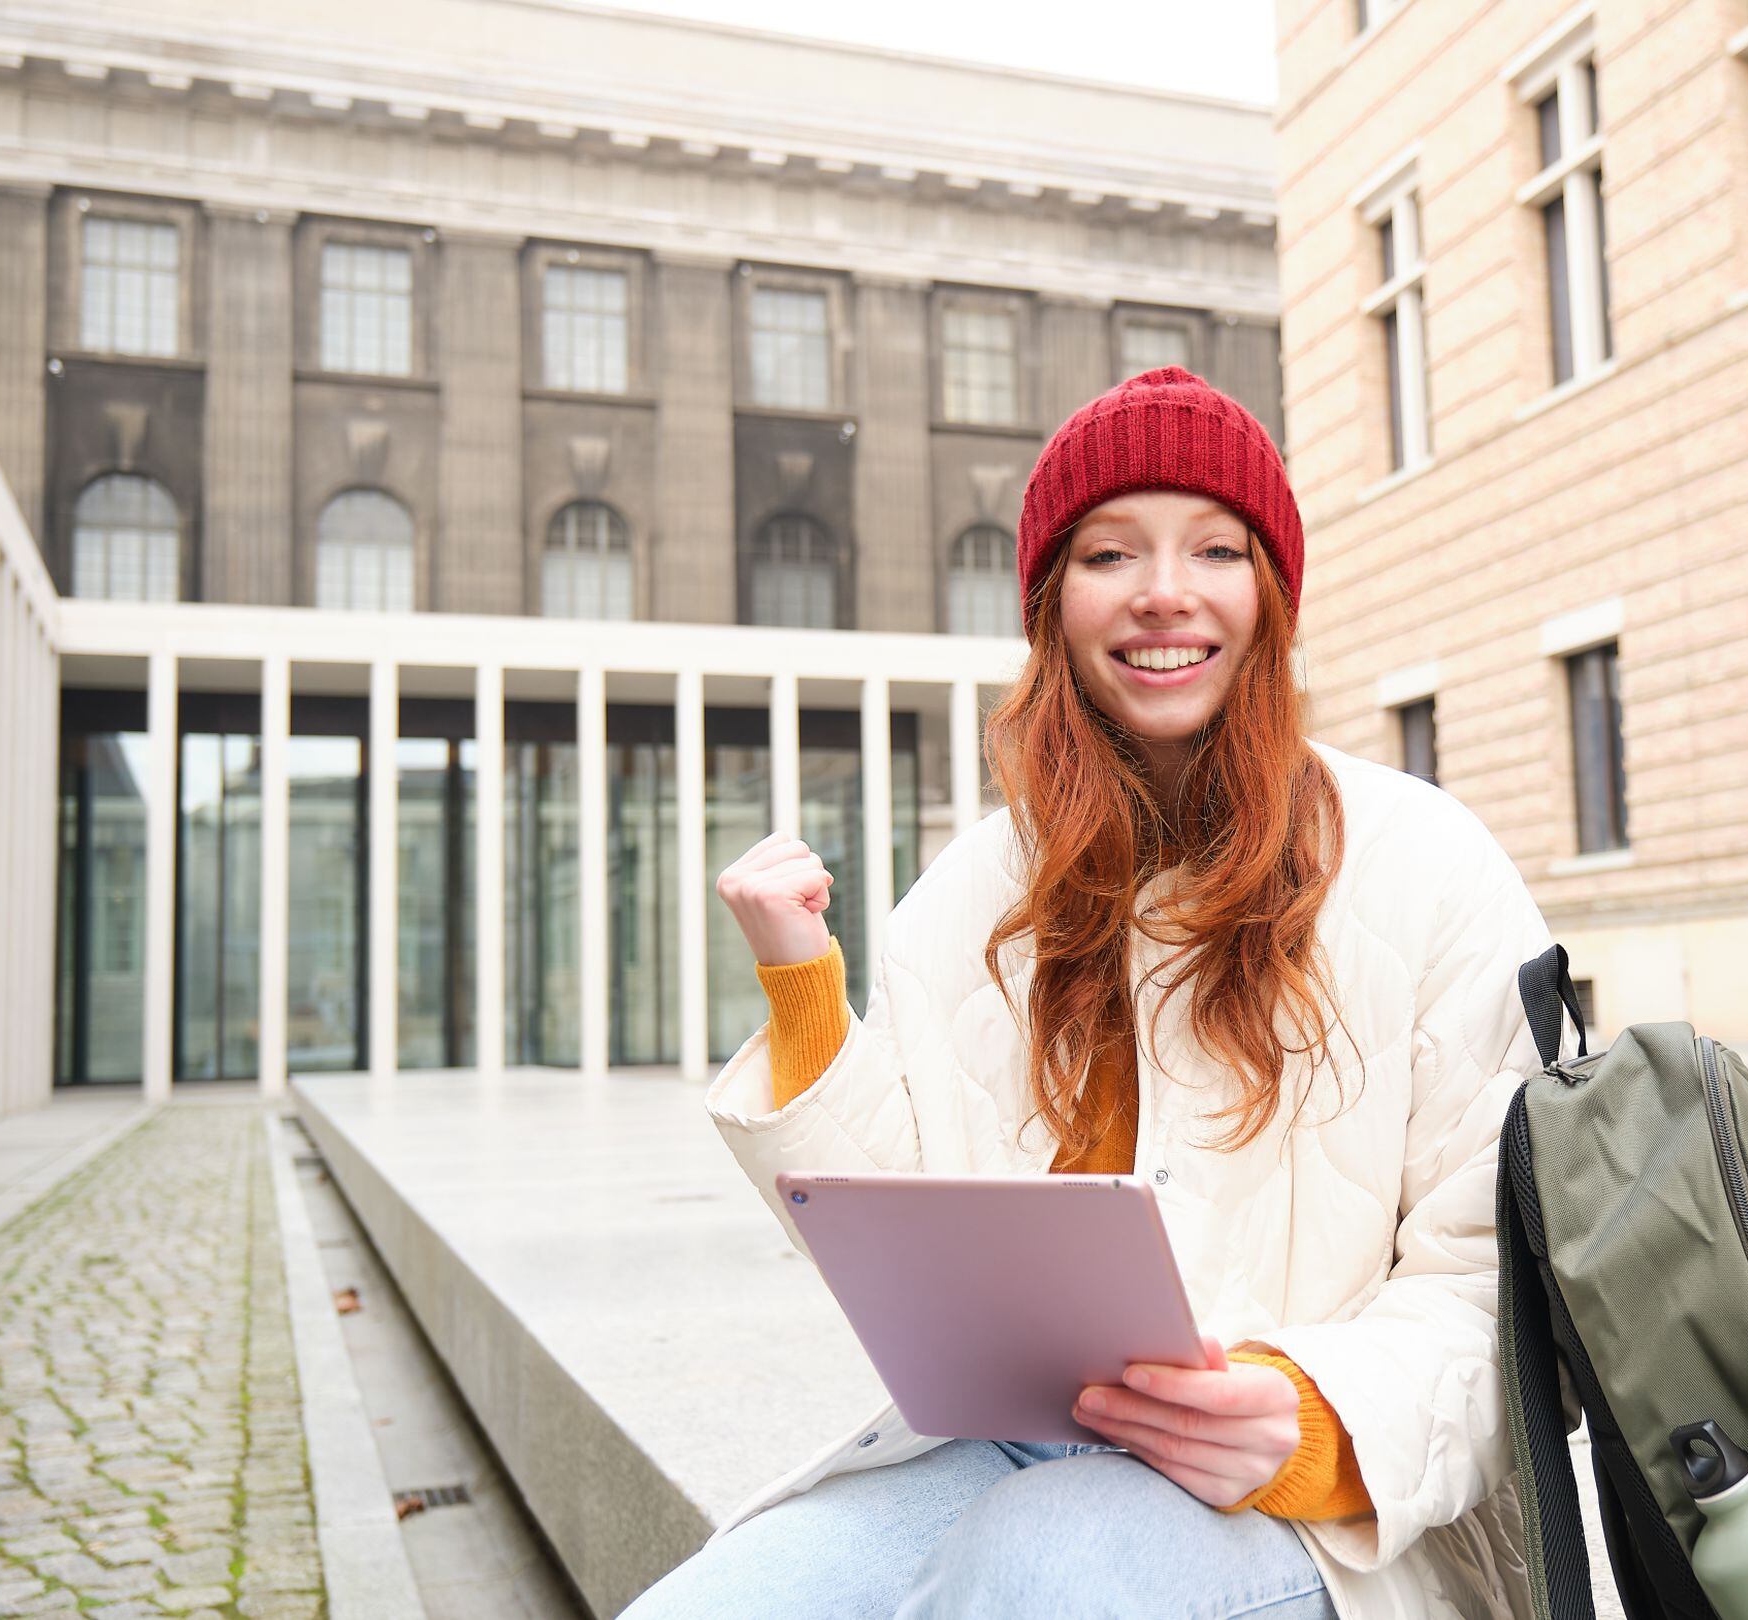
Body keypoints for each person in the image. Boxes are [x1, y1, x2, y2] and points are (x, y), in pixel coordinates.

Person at [619, 367, 1552, 1620]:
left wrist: (1311, 1420)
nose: (1165, 591)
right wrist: (803, 995)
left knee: (1050, 1568)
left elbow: (1493, 1282)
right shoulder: (970, 892)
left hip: (1332, 1520)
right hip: (1011, 1443)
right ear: (1054, 603)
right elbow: (907, 1242)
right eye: (1113, 553)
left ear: (1270, 595)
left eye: (1216, 548)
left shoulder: (1429, 864)